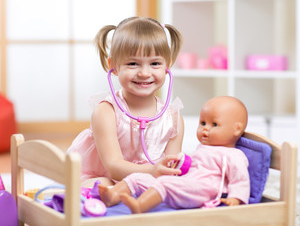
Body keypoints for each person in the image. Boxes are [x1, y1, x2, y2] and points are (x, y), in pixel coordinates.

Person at [67, 17, 184, 187]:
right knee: (102, 185)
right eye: (133, 63)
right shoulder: (106, 112)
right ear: (112, 65)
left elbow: (170, 169)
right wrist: (152, 171)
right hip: (108, 178)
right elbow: (113, 166)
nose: (144, 73)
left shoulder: (173, 119)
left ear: (168, 65)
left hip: (149, 183)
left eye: (155, 63)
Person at [98, 96, 250, 213]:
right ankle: (112, 196)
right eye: (203, 123)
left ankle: (139, 206)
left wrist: (235, 198)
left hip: (203, 190)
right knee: (139, 177)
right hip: (187, 184)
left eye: (214, 124)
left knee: (165, 183)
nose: (205, 129)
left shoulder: (234, 155)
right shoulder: (204, 148)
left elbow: (240, 179)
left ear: (236, 129)